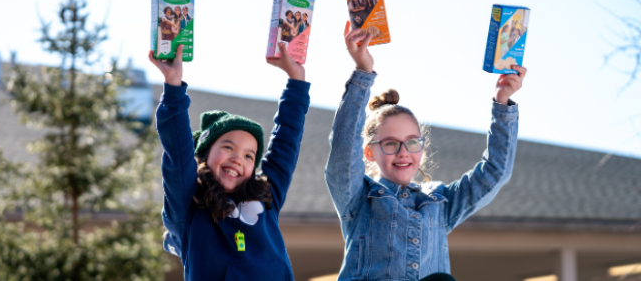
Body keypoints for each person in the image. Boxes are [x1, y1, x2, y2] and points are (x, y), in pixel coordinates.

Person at [324, 24, 526, 281]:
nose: (402, 152)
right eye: (390, 143)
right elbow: (343, 151)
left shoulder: (440, 203)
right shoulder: (358, 199)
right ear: (369, 152)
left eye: (411, 142)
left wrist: (503, 102)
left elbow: (495, 172)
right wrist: (363, 71)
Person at [151, 43, 310, 280]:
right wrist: (173, 85)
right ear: (204, 154)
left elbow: (286, 143)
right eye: (228, 147)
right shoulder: (188, 202)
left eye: (249, 156)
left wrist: (296, 81)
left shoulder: (266, 195)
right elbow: (178, 151)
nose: (238, 159)